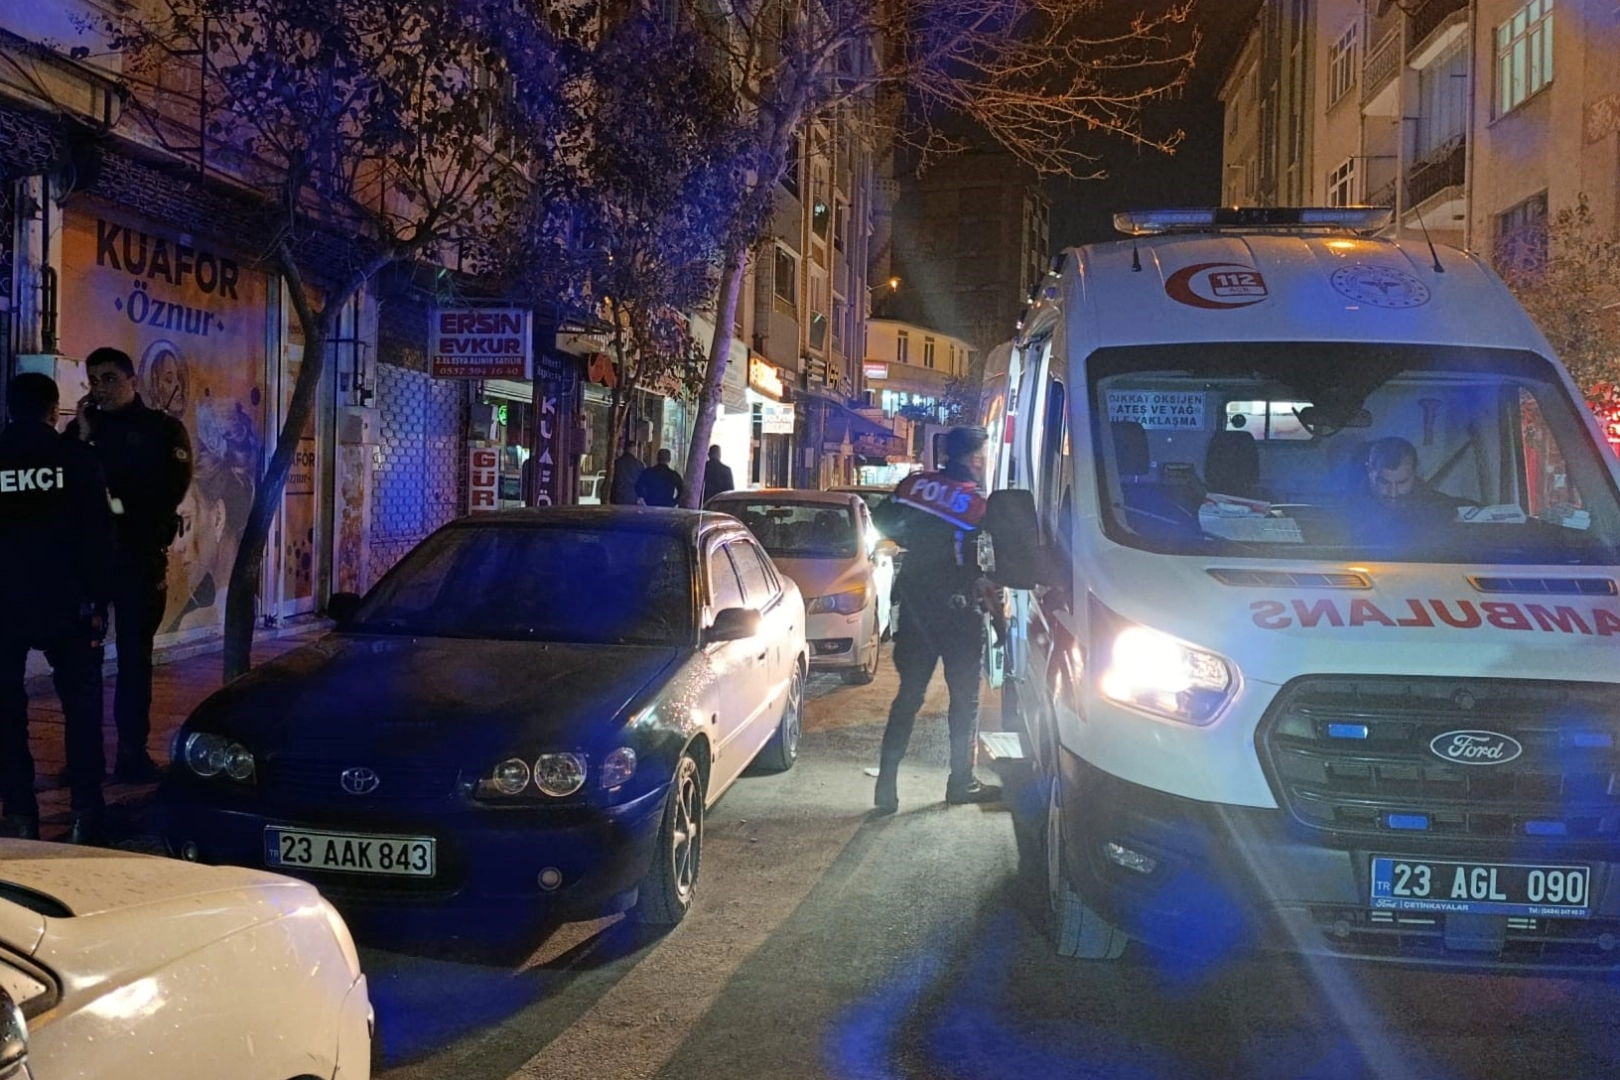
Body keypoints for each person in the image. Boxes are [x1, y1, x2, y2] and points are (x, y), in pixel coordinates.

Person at [65, 346, 193, 785]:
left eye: (109, 379)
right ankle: (83, 758)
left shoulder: (162, 430)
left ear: (133, 381)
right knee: (80, 661)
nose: (100, 388)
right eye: (94, 380)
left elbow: (166, 493)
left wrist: (113, 503)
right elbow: (66, 485)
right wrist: (83, 438)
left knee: (134, 661)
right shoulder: (82, 431)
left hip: (137, 558)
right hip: (89, 564)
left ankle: (131, 754)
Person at [0, 373, 118, 843]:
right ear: (53, 411)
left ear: (10, 408)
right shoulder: (77, 460)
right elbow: (99, 536)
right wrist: (100, 598)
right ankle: (86, 812)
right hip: (68, 600)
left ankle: (19, 811)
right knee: (82, 707)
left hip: (5, 602)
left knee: (6, 711)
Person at [870, 426, 1001, 813]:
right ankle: (961, 782)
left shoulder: (916, 485)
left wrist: (915, 540)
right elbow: (992, 555)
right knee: (964, 701)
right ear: (975, 457)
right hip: (959, 611)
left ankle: (885, 785)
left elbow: (882, 520)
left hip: (915, 607)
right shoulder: (977, 503)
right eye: (984, 454)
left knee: (909, 695)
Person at [1354, 435, 1467, 541]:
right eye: (1384, 482)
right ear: (1369, 470)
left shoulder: (1445, 510)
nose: (1393, 493)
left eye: (1402, 483)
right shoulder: (1345, 514)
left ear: (1415, 473)